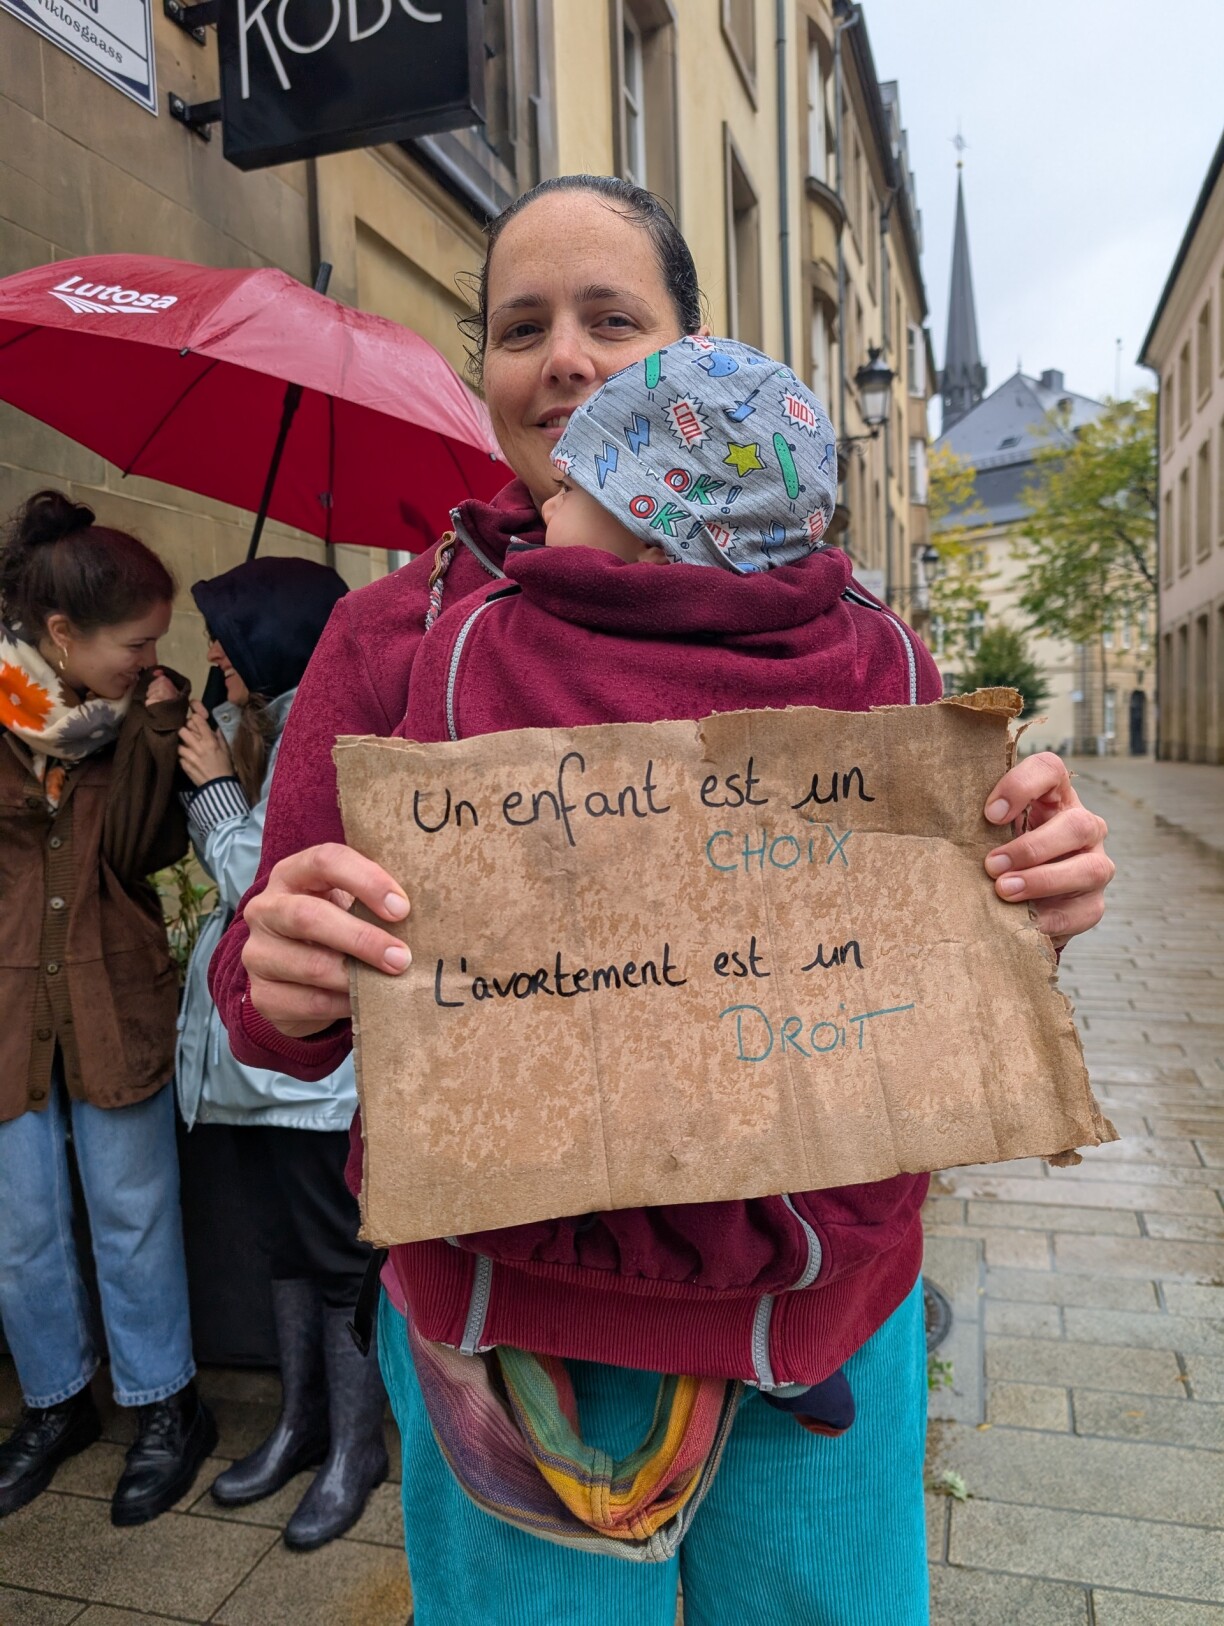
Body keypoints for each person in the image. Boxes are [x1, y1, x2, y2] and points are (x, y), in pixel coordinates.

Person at [208, 178, 1116, 1624]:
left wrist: (1031, 888)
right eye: (519, 326)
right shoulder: (393, 635)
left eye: (610, 318)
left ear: (694, 355)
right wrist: (289, 965)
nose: (561, 355)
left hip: (820, 1320)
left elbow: (949, 945)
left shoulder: (858, 644)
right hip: (514, 1330)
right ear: (485, 367)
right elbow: (267, 1007)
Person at [0, 490, 216, 1526]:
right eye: (135, 643)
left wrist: (165, 726)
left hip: (110, 991)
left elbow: (144, 853)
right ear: (58, 635)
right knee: (21, 1224)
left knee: (134, 1215)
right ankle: (55, 1405)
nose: (148, 658)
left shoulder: (142, 717)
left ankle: (167, 1404)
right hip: (6, 1008)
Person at [173, 555, 387, 1550]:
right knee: (286, 1254)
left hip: (309, 1075)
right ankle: (303, 1427)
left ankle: (354, 1446)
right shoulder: (266, 715)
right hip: (250, 1070)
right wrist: (215, 725)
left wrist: (213, 791)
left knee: (336, 1259)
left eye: (228, 632)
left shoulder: (322, 725)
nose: (213, 649)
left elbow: (256, 884)